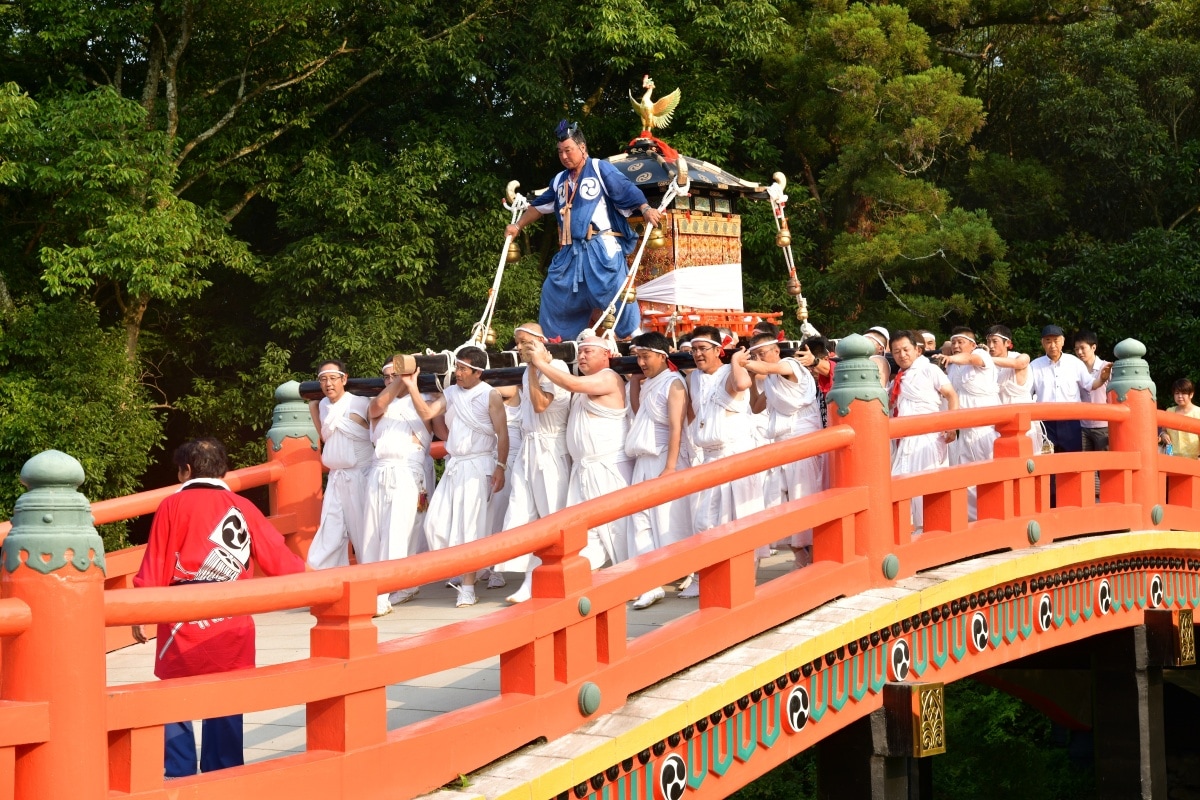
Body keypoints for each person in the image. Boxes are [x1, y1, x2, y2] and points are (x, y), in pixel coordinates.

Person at [132, 438, 306, 778]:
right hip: (232, 613)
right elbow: (283, 564)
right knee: (227, 697)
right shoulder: (242, 506)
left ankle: (179, 771)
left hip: (182, 613)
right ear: (223, 470)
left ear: (186, 470)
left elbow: (156, 562)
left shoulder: (172, 505)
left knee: (175, 695)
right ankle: (222, 775)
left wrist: (140, 610)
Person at [505, 120, 663, 340]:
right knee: (554, 293)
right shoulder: (560, 180)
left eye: (568, 150)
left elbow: (626, 188)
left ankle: (633, 336)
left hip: (599, 245)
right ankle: (558, 342)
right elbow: (539, 207)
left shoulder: (599, 168)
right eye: (560, 152)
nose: (564, 156)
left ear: (582, 148)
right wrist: (517, 225)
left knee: (615, 289)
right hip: (570, 252)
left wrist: (645, 208)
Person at [406, 347, 508, 607]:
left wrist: (500, 467)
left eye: (463, 369)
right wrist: (411, 385)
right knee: (435, 524)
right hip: (455, 466)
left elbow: (502, 434)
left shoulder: (490, 395)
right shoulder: (450, 393)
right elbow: (428, 415)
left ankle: (468, 586)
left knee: (470, 527)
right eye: (457, 368)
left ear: (478, 371)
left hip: (479, 464)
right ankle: (468, 569)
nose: (458, 373)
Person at [530, 333, 632, 569]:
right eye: (580, 352)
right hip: (582, 469)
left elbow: (572, 383)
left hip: (606, 467)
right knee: (585, 529)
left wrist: (541, 363)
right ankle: (591, 578)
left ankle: (635, 579)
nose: (582, 356)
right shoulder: (583, 383)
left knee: (615, 527)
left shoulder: (608, 378)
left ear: (606, 355)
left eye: (588, 351)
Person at [498, 323, 573, 604]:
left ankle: (556, 577)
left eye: (524, 342)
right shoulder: (528, 369)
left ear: (541, 342)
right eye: (517, 343)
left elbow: (541, 404)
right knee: (521, 512)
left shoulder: (560, 368)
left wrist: (533, 367)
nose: (519, 348)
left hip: (551, 448)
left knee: (551, 513)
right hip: (529, 448)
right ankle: (530, 579)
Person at [687, 325, 764, 595]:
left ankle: (744, 581)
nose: (697, 354)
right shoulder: (694, 378)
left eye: (703, 349)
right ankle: (712, 579)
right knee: (705, 521)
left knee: (738, 518)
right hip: (709, 456)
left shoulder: (729, 372)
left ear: (718, 350)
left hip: (734, 453)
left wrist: (734, 361)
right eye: (694, 349)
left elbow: (743, 384)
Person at [744, 331, 824, 567]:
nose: (759, 358)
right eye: (755, 354)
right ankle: (801, 557)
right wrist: (750, 377)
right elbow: (756, 406)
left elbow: (770, 369)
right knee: (778, 504)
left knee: (804, 502)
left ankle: (816, 558)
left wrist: (743, 362)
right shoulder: (769, 379)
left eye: (761, 353)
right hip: (781, 446)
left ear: (776, 350)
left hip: (802, 444)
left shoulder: (789, 365)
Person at [362, 357, 434, 616]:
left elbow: (431, 421)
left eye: (396, 375)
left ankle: (386, 592)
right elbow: (376, 407)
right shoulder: (379, 403)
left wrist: (409, 383)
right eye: (387, 376)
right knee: (372, 533)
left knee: (398, 532)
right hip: (379, 471)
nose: (390, 380)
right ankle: (373, 589)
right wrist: (399, 380)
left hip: (407, 471)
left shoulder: (421, 401)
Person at [625, 331, 688, 609]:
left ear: (662, 356)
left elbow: (676, 427)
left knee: (666, 523)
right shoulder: (649, 382)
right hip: (642, 461)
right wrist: (637, 381)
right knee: (640, 523)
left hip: (663, 458)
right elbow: (641, 412)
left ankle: (680, 572)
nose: (640, 362)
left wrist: (671, 467)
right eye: (637, 357)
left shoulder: (674, 383)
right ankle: (649, 583)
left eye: (645, 356)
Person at [888, 330, 959, 534]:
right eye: (896, 351)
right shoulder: (898, 379)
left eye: (906, 349)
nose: (902, 355)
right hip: (905, 440)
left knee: (926, 488)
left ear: (918, 350)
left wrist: (951, 424)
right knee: (899, 486)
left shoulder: (930, 370)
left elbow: (951, 395)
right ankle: (906, 535)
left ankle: (931, 534)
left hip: (927, 437)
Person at [307, 360, 373, 570]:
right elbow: (326, 438)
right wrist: (312, 409)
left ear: (344, 378)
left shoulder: (361, 403)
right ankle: (325, 580)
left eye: (333, 378)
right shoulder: (323, 406)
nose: (328, 384)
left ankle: (375, 581)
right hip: (336, 478)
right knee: (330, 529)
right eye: (323, 379)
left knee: (365, 533)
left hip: (361, 475)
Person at [934, 327, 999, 521]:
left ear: (972, 344)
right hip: (962, 429)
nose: (955, 346)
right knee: (964, 475)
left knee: (988, 473)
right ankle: (971, 520)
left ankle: (992, 515)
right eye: (953, 343)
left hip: (985, 428)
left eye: (960, 342)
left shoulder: (981, 354)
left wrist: (952, 357)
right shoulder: (951, 366)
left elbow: (971, 359)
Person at [1029, 325, 1094, 456]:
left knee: (1072, 462)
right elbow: (1027, 394)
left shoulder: (1074, 363)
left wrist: (1103, 378)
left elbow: (1090, 384)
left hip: (1070, 420)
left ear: (1063, 341)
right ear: (1042, 343)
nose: (1052, 345)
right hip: (1045, 423)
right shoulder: (1034, 366)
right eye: (1048, 341)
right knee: (1048, 464)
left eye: (1056, 340)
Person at [985, 325, 1043, 453]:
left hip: (1022, 417)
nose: (991, 346)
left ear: (1008, 343)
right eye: (988, 341)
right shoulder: (985, 364)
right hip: (1000, 420)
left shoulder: (1020, 356)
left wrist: (986, 359)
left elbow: (1019, 364)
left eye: (995, 341)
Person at [1074, 330, 1113, 452]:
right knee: (1086, 466)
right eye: (1076, 349)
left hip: (1104, 425)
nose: (1079, 352)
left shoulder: (1107, 367)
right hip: (1083, 426)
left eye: (1082, 348)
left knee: (1104, 465)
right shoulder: (1075, 369)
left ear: (1093, 347)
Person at [1160, 379, 1200, 458]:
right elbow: (1163, 430)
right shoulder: (1169, 411)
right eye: (1177, 393)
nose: (1180, 396)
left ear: (1191, 394)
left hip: (1194, 458)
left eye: (1183, 393)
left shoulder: (1198, 412)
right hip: (1172, 456)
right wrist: (1163, 435)